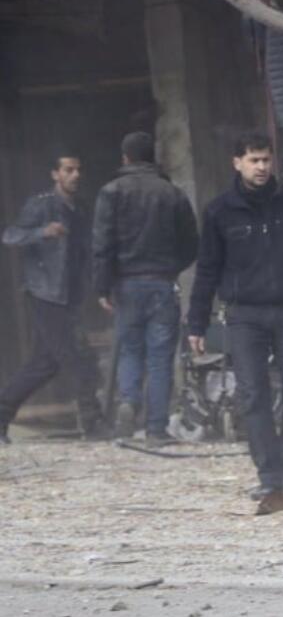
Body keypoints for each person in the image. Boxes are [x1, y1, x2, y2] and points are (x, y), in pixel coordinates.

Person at [187, 133, 283, 515]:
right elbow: (207, 270)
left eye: (266, 160)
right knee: (253, 395)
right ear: (237, 163)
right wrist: (196, 324)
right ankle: (270, 475)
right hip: (244, 315)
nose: (262, 167)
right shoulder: (219, 211)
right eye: (254, 160)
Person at [92, 132, 198, 442]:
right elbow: (191, 243)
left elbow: (102, 245)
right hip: (162, 283)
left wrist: (102, 287)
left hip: (126, 284)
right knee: (160, 355)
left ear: (125, 158)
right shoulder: (172, 194)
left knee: (130, 350)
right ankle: (155, 427)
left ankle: (128, 401)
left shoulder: (110, 192)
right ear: (153, 157)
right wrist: (171, 268)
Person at [0, 151, 104, 443]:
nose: (75, 175)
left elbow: (85, 253)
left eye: (78, 169)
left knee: (45, 364)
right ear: (55, 174)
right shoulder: (42, 205)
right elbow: (10, 235)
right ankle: (92, 422)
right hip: (45, 294)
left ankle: (2, 413)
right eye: (68, 170)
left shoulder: (79, 209)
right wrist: (42, 232)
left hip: (69, 297)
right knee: (76, 357)